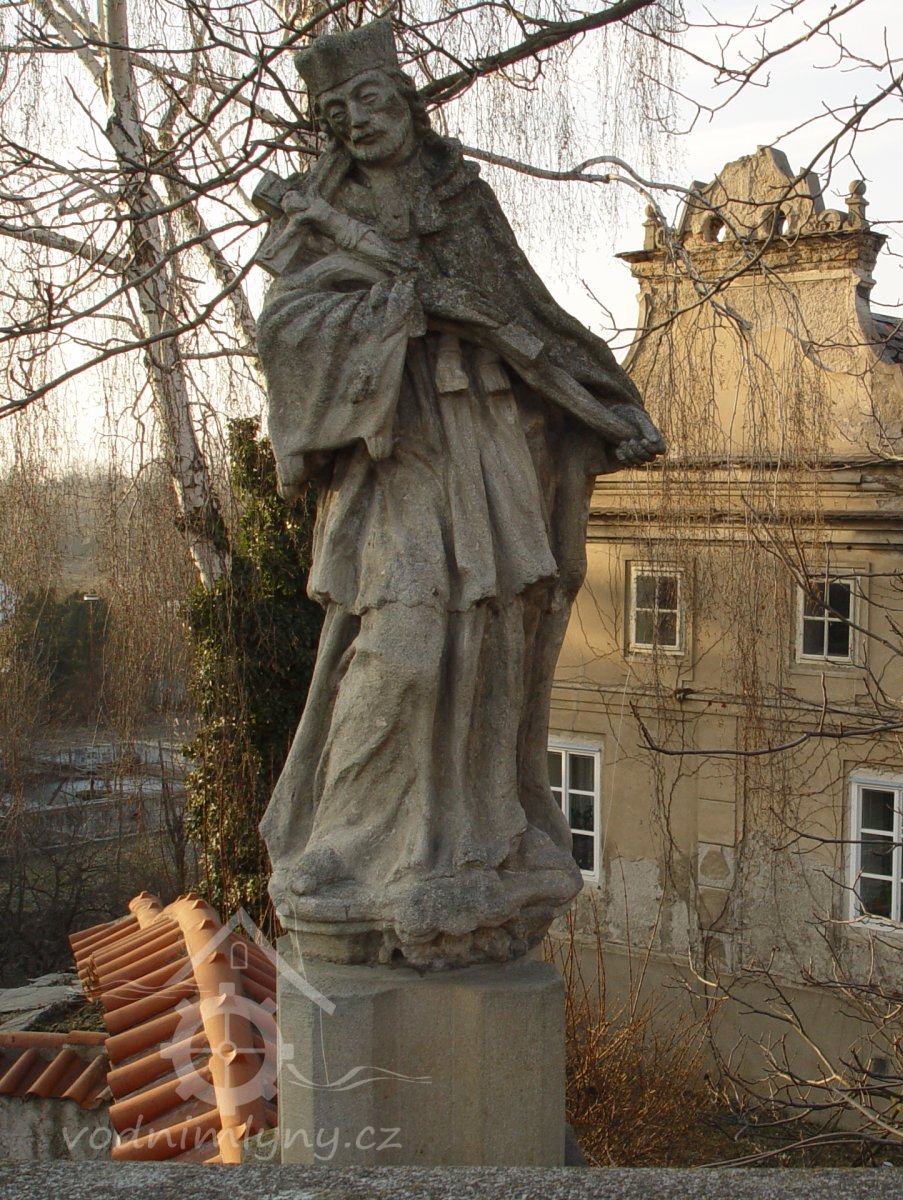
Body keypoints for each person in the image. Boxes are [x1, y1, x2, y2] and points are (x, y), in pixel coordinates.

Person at [255, 18, 663, 969]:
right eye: (335, 113)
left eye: (368, 99)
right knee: (399, 646)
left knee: (489, 641)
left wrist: (605, 406)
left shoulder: (462, 200)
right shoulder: (315, 215)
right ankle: (347, 844)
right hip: (393, 451)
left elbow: (527, 316)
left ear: (404, 101)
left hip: (482, 441)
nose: (356, 121)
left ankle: (477, 839)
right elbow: (285, 337)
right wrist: (394, 306)